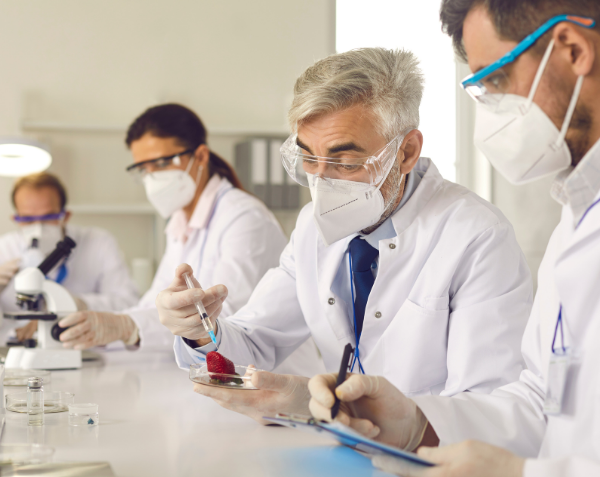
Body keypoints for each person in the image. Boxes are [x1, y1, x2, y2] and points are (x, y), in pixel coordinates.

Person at [308, 2, 600, 477]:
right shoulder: (577, 215)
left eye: (498, 81)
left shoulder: (483, 229)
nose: (489, 112)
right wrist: (414, 421)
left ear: (572, 49)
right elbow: (540, 400)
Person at [155, 48, 532, 427]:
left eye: (346, 163)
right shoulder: (311, 228)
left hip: (437, 471)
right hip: (346, 454)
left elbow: (489, 409)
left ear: (406, 152)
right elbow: (255, 341)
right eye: (308, 159)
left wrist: (345, 410)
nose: (322, 182)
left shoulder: (476, 236)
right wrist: (200, 333)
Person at [56, 104, 321, 375]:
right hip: (217, 378)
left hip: (280, 384)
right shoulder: (179, 224)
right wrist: (103, 323)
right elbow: (156, 303)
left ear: (201, 156)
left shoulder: (244, 217)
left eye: (161, 163)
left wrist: (127, 327)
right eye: (143, 169)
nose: (152, 178)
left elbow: (222, 315)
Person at [0, 172, 139, 344]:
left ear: (65, 216)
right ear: (15, 219)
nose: (38, 228)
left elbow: (129, 302)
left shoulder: (99, 243)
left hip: (89, 348)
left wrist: (78, 304)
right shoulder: (4, 248)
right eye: (27, 219)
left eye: (48, 217)